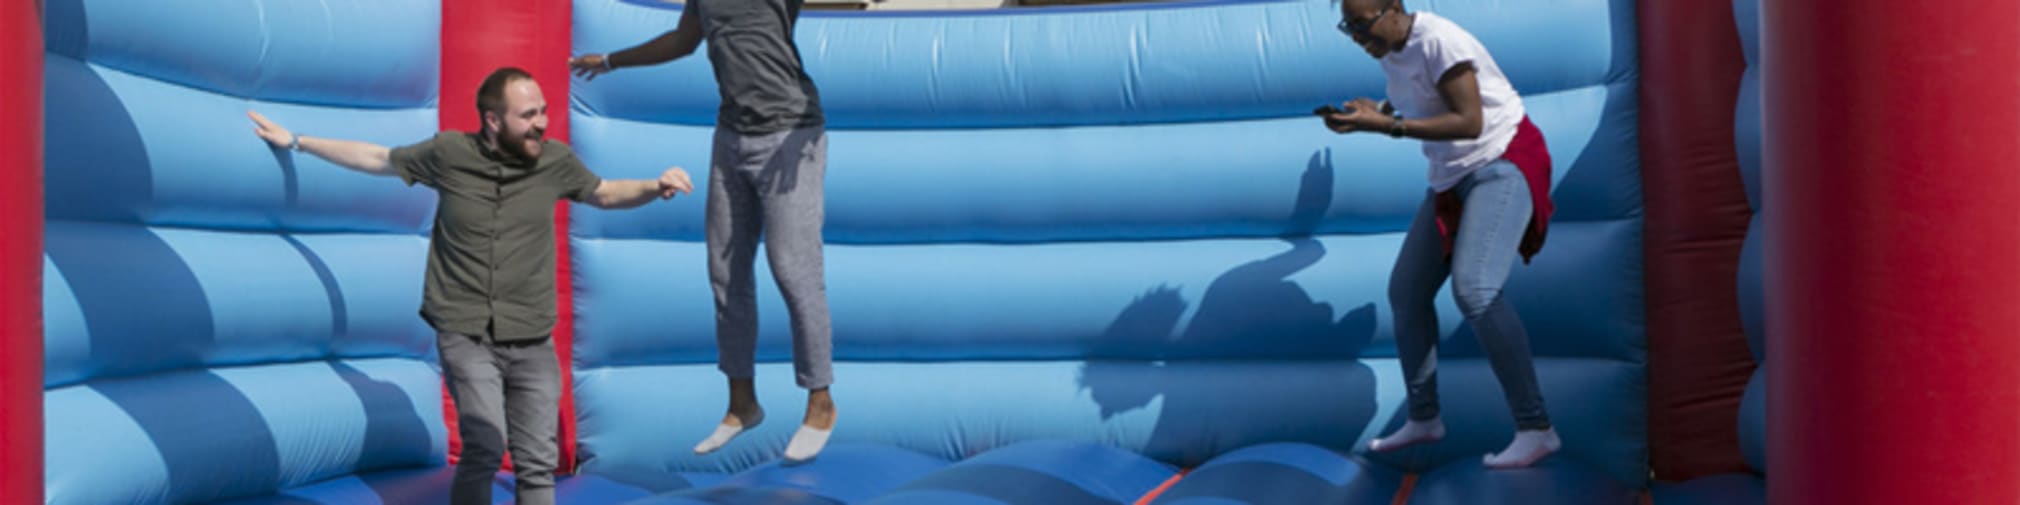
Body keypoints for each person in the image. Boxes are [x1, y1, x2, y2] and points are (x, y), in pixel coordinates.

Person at [247, 67, 694, 504]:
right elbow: (377, 158)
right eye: (528, 115)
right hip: (467, 334)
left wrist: (655, 186)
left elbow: (604, 192)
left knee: (537, 461)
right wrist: (299, 142)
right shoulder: (449, 154)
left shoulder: (555, 161)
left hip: (532, 338)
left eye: (543, 111)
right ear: (493, 120)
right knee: (484, 443)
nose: (541, 122)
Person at [568, 0, 838, 463]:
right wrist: (611, 60)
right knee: (725, 272)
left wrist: (806, 143)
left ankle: (820, 401)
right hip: (732, 137)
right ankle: (742, 402)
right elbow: (683, 39)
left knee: (793, 269)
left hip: (790, 134)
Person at [1323, 0, 1561, 469]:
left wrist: (1386, 126)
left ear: (1393, 8)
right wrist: (1379, 110)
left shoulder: (1438, 39)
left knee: (1475, 289)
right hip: (1452, 178)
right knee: (1406, 291)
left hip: (1501, 161)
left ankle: (1536, 428)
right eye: (1347, 29)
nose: (1358, 38)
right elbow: (1423, 102)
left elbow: (1469, 120)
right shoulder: (1391, 50)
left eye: (1362, 26)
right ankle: (1425, 418)